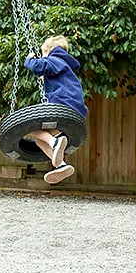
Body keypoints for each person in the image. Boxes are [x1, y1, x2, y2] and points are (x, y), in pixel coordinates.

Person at [24, 35, 88, 184]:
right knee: (40, 140)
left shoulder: (55, 59)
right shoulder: (64, 65)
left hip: (63, 104)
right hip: (74, 110)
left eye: (43, 54)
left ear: (48, 50)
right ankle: (61, 165)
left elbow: (38, 66)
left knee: (27, 127)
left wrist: (30, 59)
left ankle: (54, 142)